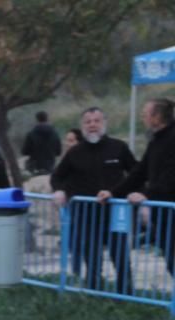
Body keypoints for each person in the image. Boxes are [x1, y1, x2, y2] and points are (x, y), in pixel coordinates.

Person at [51, 107, 138, 293]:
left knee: (120, 253)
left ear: (104, 123)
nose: (92, 125)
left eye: (96, 121)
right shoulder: (74, 152)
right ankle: (93, 293)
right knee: (91, 254)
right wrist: (59, 191)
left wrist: (137, 193)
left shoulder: (119, 147)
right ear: (82, 126)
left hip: (116, 212)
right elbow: (57, 177)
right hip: (86, 213)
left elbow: (136, 174)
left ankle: (127, 294)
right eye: (88, 122)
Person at [98, 98, 175, 277]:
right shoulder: (156, 140)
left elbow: (171, 175)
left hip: (171, 208)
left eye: (145, 114)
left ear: (157, 117)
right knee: (171, 260)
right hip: (163, 213)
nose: (142, 118)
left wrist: (146, 194)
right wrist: (113, 192)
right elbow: (139, 172)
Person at [21, 111, 62, 176]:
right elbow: (58, 152)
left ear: (37, 120)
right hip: (51, 166)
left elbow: (24, 152)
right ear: (47, 119)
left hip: (35, 168)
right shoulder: (55, 133)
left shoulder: (31, 134)